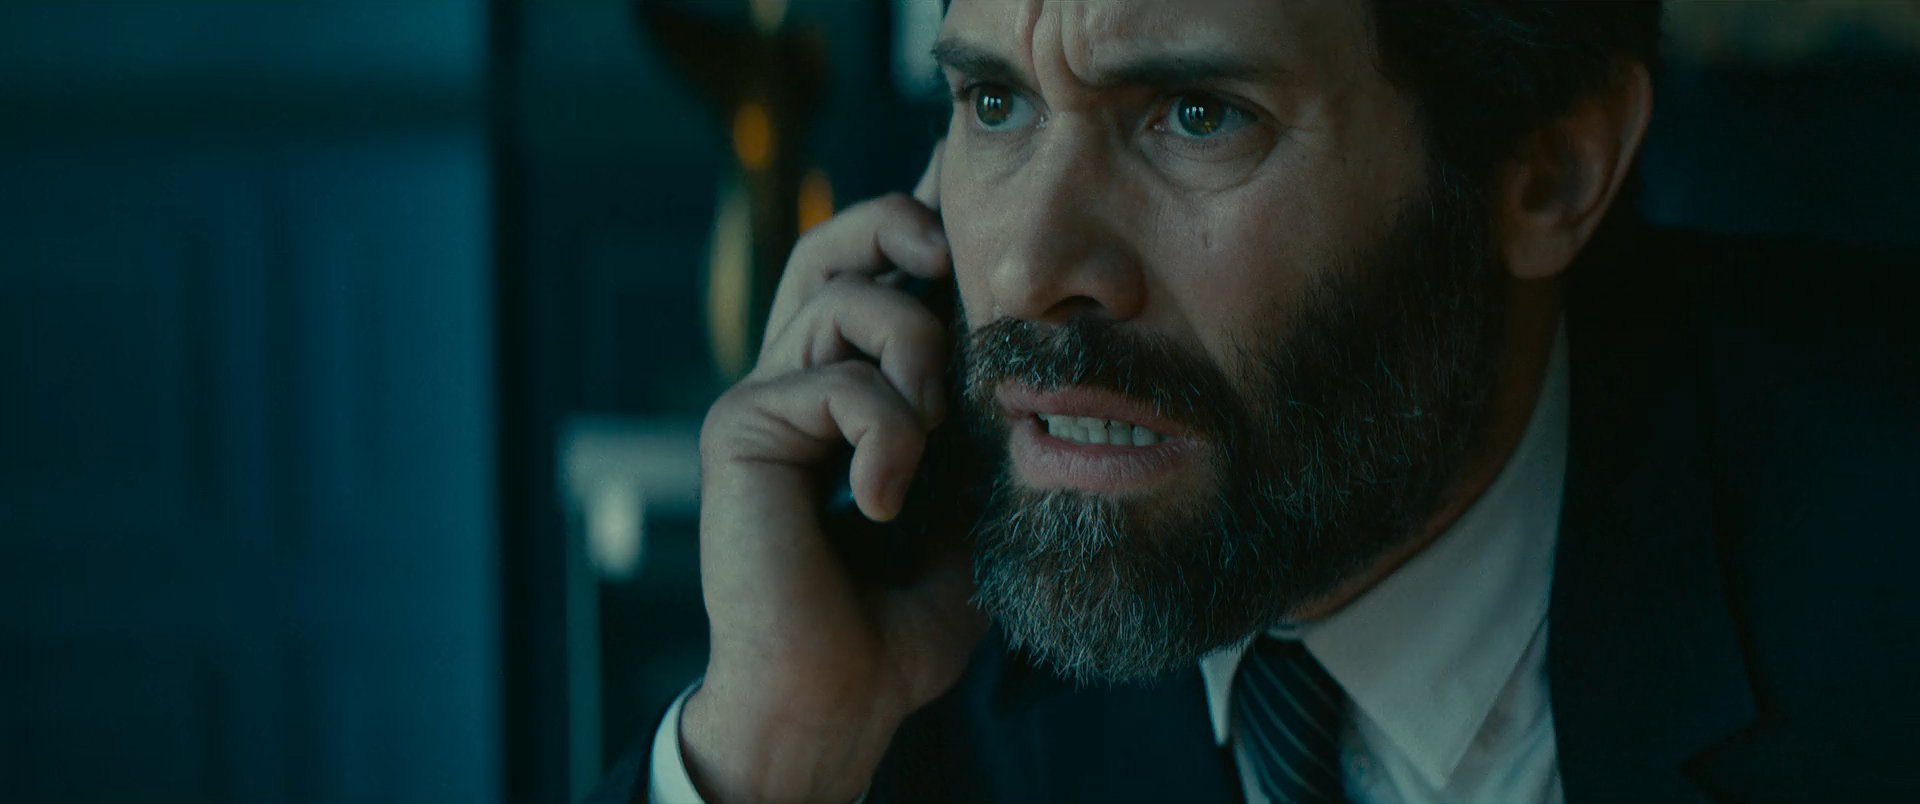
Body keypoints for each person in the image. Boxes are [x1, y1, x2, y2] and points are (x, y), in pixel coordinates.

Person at [592, 1, 1920, 801]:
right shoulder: (919, 659)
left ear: (1548, 171)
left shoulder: (1878, 571)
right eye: (994, 101)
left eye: (1196, 115)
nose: (1033, 271)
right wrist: (776, 744)